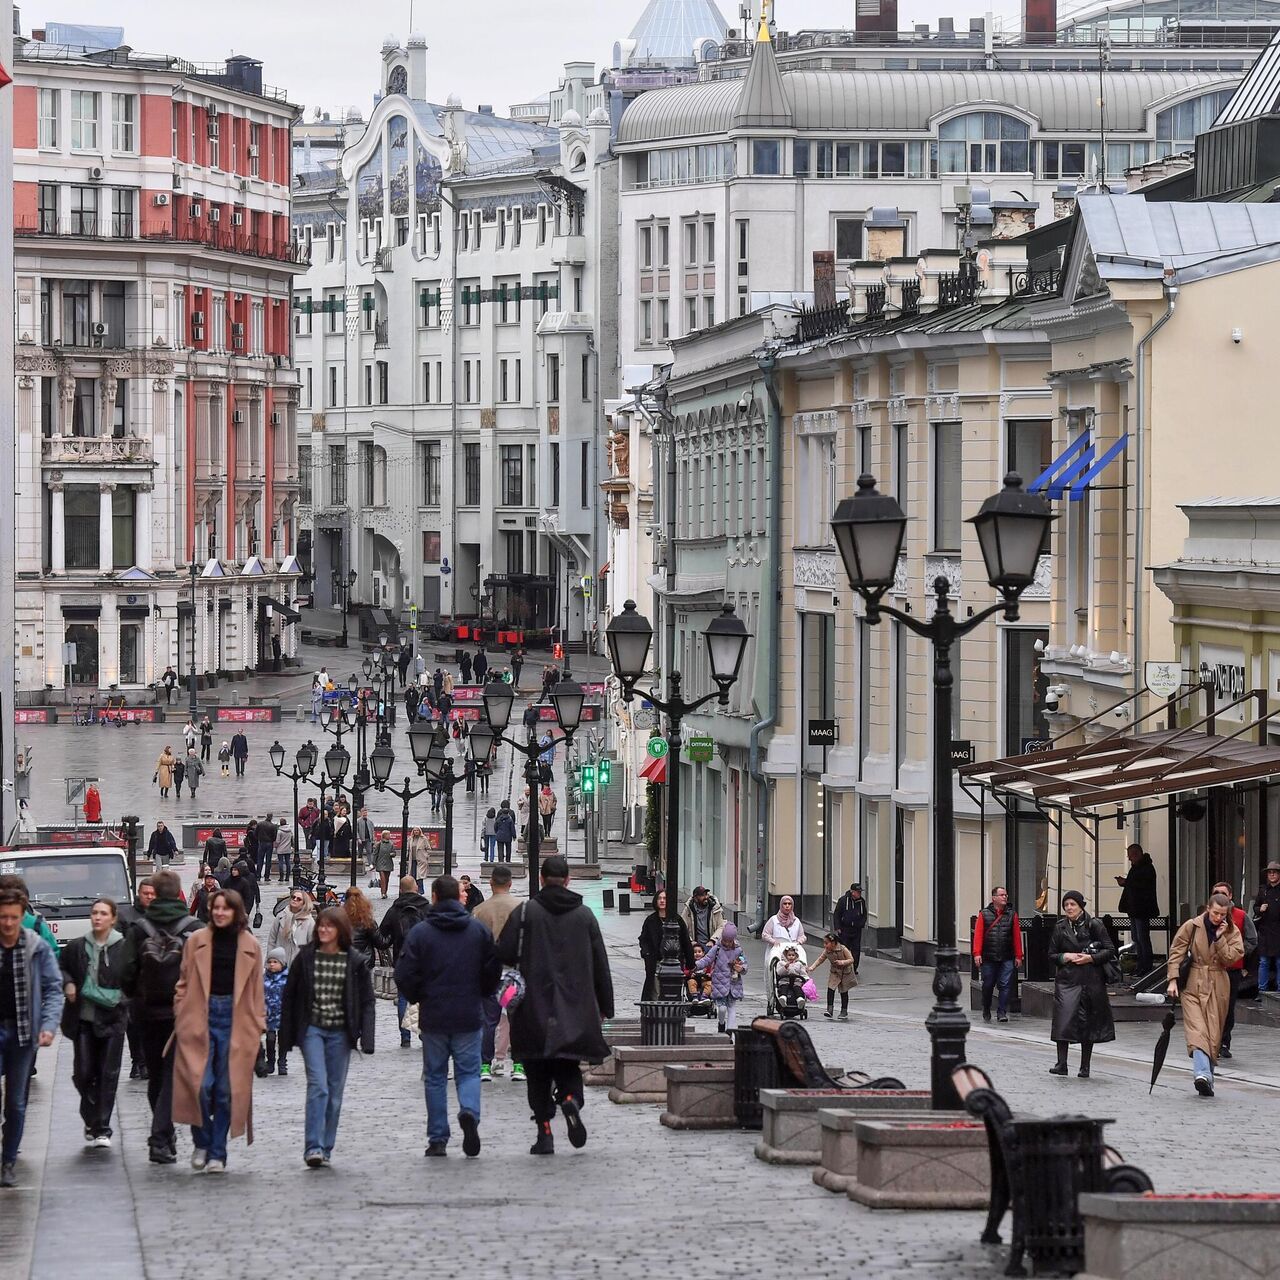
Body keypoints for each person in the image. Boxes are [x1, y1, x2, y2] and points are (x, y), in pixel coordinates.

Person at [496, 855, 614, 1155]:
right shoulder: (585, 916)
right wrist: (605, 1006)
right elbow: (601, 964)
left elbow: (505, 952)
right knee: (568, 1065)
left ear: (540, 878)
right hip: (575, 1008)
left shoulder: (525, 913)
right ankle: (571, 1100)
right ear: (568, 880)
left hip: (532, 1009)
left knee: (536, 1073)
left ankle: (544, 1133)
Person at [394, 875, 500, 1158]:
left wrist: (418, 996)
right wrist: (482, 993)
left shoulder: (421, 933)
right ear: (459, 896)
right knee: (468, 1072)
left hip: (435, 1015)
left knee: (436, 1077)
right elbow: (493, 971)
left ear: (435, 897)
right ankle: (469, 1112)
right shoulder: (477, 931)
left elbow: (404, 974)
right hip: (468, 1013)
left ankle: (438, 1137)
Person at [171, 888, 265, 1173]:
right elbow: (183, 982)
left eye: (226, 908)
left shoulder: (250, 944)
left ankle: (217, 1152)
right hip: (200, 1016)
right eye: (216, 908)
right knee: (200, 1084)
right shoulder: (196, 941)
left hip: (236, 1021)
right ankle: (202, 1140)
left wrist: (257, 1027)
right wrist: (181, 1012)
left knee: (225, 1090)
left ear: (236, 912)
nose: (220, 913)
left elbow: (256, 993)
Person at [280, 907, 375, 1167]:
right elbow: (290, 995)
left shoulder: (353, 961)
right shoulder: (306, 958)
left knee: (334, 1093)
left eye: (329, 926)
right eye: (321, 925)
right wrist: (286, 1036)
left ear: (340, 930)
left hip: (341, 1033)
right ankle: (312, 1146)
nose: (323, 930)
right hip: (312, 1028)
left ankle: (326, 1146)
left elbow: (367, 1001)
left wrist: (367, 1038)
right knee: (318, 1086)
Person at [119, 871, 201, 1163]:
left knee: (157, 1075)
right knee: (172, 1075)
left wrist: (135, 996)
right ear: (178, 893)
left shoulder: (139, 928)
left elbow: (125, 971)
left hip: (146, 1012)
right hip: (184, 1011)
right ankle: (159, 1138)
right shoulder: (194, 928)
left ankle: (163, 1136)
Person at [0, 887, 63, 1187]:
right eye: (3, 918)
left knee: (15, 1102)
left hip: (24, 1032)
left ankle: (8, 1160)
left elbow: (53, 988)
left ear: (22, 915)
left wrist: (49, 1025)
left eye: (13, 917)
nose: (8, 924)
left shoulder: (35, 946)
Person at [60, 899, 130, 1149]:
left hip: (113, 1020)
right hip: (83, 1020)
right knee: (83, 1073)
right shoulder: (78, 946)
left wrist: (120, 999)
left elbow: (134, 982)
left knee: (107, 1074)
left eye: (103, 913)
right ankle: (90, 1116)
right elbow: (63, 967)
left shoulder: (124, 949)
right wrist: (68, 982)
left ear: (112, 919)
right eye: (94, 913)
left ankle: (102, 1126)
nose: (97, 917)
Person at [1167, 892, 1244, 1098]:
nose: (1218, 918)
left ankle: (1207, 1078)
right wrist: (1173, 980)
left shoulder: (1231, 931)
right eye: (1215, 913)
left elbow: (1232, 958)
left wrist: (1219, 939)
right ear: (1208, 909)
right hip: (1193, 982)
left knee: (1213, 1034)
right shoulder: (1192, 926)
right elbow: (1176, 952)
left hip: (1218, 984)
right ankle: (1201, 1074)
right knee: (1197, 1030)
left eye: (1223, 914)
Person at [1048, 891, 1116, 1079]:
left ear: (1081, 906)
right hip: (1067, 980)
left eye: (1073, 904)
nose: (1069, 908)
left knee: (1088, 1022)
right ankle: (1061, 1063)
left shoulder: (1095, 924)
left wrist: (1090, 958)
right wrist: (1065, 956)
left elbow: (1110, 950)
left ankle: (1084, 1066)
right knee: (1062, 1020)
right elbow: (1052, 954)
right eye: (1066, 905)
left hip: (1090, 980)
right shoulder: (1060, 927)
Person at [473, 866, 520, 1081]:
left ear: (491, 883)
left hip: (490, 975)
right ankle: (518, 1065)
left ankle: (485, 1064)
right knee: (515, 1018)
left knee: (489, 1021)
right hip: (514, 977)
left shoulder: (480, 910)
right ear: (510, 883)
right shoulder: (521, 907)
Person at [374, 877, 432, 1047]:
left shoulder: (394, 910)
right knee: (423, 998)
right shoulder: (427, 908)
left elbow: (383, 938)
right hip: (424, 960)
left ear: (400, 889)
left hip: (402, 959)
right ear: (416, 888)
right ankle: (423, 1033)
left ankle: (405, 1037)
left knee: (402, 998)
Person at [1211, 879, 1256, 1060]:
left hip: (1232, 970)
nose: (1219, 897)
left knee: (1227, 1008)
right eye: (1216, 893)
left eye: (1223, 893)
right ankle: (1210, 1041)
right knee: (1211, 1006)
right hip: (1211, 969)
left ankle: (1223, 1042)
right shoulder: (1206, 916)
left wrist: (1236, 953)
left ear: (1230, 896)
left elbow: (1252, 940)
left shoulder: (1241, 916)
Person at [118, 879, 156, 1080]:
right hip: (133, 979)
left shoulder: (160, 916)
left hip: (156, 979)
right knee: (133, 1025)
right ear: (138, 894)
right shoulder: (126, 915)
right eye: (145, 893)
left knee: (152, 1024)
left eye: (152, 893)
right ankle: (137, 1061)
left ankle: (148, 1061)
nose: (149, 897)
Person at [973, 886, 1023, 1024]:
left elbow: (1016, 937)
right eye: (1001, 895)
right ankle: (986, 1008)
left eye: (1006, 895)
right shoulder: (984, 914)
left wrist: (1019, 955)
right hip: (988, 956)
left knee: (1005, 984)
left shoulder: (1012, 914)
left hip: (1007, 956)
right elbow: (978, 935)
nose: (1005, 897)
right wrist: (977, 953)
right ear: (994, 897)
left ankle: (1002, 1011)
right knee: (988, 984)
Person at [1115, 843, 1160, 980]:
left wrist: (1126, 883)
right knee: (1137, 939)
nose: (1129, 859)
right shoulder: (1139, 868)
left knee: (1142, 939)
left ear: (1137, 854)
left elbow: (1140, 886)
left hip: (1141, 909)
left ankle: (1145, 966)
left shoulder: (1146, 868)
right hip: (1135, 909)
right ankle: (1141, 966)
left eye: (1130, 856)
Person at [639, 890, 693, 1001]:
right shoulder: (651, 920)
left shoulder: (677, 920)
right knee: (655, 989)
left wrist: (690, 962)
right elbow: (644, 939)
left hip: (675, 963)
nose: (662, 901)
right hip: (656, 961)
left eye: (665, 898)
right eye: (660, 898)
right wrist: (646, 953)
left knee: (672, 991)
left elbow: (685, 941)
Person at [696, 921, 747, 1035]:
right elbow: (707, 959)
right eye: (725, 940)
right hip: (719, 982)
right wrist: (696, 965)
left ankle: (730, 1031)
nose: (727, 943)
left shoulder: (738, 950)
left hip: (734, 983)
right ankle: (721, 1022)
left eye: (730, 941)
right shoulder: (717, 948)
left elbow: (744, 964)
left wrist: (741, 968)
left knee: (732, 1007)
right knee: (722, 1009)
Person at [257, 948, 288, 1078]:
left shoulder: (288, 979)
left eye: (275, 961)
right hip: (269, 1016)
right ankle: (270, 1061)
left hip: (284, 1016)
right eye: (270, 961)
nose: (272, 964)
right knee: (270, 1039)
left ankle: (282, 1062)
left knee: (283, 1040)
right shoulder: (264, 980)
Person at [812, 932, 857, 1020]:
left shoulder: (843, 949)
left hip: (845, 972)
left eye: (826, 943)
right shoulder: (827, 951)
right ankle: (829, 1009)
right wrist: (812, 967)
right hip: (835, 972)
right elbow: (820, 959)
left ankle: (844, 1011)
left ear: (833, 943)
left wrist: (842, 962)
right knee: (830, 989)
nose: (825, 945)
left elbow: (851, 959)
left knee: (844, 991)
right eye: (824, 943)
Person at [1252, 861, 1280, 994]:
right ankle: (1261, 990)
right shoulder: (1263, 890)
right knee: (1263, 961)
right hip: (1265, 930)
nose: (1272, 874)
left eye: (1274, 872)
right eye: (1270, 872)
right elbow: (1255, 908)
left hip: (1278, 931)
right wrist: (1260, 909)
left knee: (1279, 961)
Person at [342, 887, 380, 971]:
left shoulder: (340, 919)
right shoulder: (367, 921)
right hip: (364, 962)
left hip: (345, 962)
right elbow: (379, 942)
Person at [833, 883, 868, 972]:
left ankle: (854, 968)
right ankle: (844, 966)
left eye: (860, 892)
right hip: (845, 929)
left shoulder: (861, 902)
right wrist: (838, 927)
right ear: (852, 892)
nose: (859, 893)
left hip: (856, 929)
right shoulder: (843, 900)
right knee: (845, 949)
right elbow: (837, 914)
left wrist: (861, 924)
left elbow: (864, 914)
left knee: (856, 949)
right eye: (858, 892)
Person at [775, 943, 810, 1013]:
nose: (791, 957)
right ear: (785, 955)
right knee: (783, 988)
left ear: (796, 956)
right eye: (789, 955)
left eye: (793, 955)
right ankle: (783, 998)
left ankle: (800, 999)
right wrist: (785, 967)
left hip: (796, 982)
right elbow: (779, 973)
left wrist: (806, 979)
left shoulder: (799, 964)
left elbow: (803, 973)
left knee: (798, 989)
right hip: (784, 981)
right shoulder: (781, 963)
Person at [686, 944, 715, 1015]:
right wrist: (689, 973)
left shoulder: (707, 963)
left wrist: (709, 974)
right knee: (691, 982)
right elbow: (685, 971)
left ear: (703, 953)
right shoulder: (690, 962)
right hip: (694, 980)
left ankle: (704, 997)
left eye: (699, 952)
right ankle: (694, 997)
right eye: (695, 952)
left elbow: (711, 971)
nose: (697, 954)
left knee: (709, 983)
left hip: (704, 980)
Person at [371, 830, 396, 899]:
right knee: (383, 879)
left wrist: (392, 854)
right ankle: (383, 893)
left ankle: (385, 892)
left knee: (387, 879)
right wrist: (373, 863)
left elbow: (394, 853)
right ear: (384, 835)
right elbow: (375, 854)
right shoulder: (379, 844)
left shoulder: (391, 844)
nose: (389, 836)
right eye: (388, 834)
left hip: (388, 863)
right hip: (380, 863)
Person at [255, 813, 278, 883]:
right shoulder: (273, 826)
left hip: (261, 843)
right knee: (268, 860)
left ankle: (258, 875)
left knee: (260, 860)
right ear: (271, 817)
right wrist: (271, 840)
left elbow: (255, 833)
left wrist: (259, 839)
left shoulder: (260, 824)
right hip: (269, 843)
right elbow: (274, 836)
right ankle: (266, 876)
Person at [355, 808, 375, 874]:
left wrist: (373, 839)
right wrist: (358, 838)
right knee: (360, 852)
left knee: (369, 852)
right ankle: (358, 864)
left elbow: (372, 831)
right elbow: (356, 831)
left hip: (368, 839)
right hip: (361, 839)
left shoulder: (370, 821)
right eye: (363, 812)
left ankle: (370, 864)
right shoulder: (358, 821)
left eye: (366, 812)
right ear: (361, 813)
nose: (365, 813)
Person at [274, 820, 293, 885]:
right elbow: (292, 839)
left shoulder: (279, 831)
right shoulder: (290, 831)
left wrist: (275, 846)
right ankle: (287, 877)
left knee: (281, 862)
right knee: (288, 862)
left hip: (280, 849)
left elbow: (277, 841)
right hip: (288, 849)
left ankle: (281, 877)